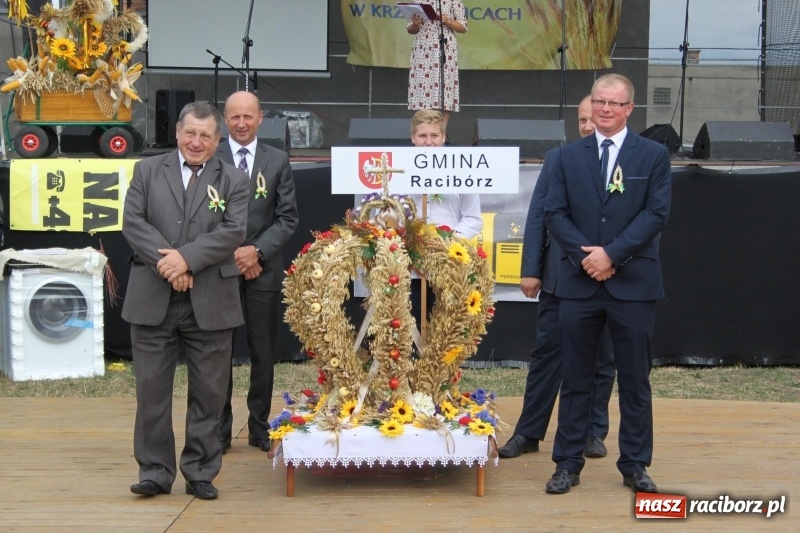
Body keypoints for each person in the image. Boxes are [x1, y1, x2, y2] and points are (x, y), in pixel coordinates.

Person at [542, 74, 671, 495]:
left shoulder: (652, 156)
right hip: (579, 285)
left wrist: (612, 254)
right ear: (591, 105)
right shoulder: (565, 157)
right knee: (576, 377)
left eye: (615, 103)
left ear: (629, 108)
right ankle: (567, 463)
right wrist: (586, 258)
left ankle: (635, 464)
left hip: (633, 284)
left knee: (634, 380)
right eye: (600, 102)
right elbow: (554, 214)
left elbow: (655, 214)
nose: (606, 109)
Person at [122, 101, 249, 500]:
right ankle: (155, 471)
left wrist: (187, 259)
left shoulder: (233, 179)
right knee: (151, 391)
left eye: (205, 136)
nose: (196, 142)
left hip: (210, 299)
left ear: (217, 140)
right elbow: (134, 222)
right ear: (177, 132)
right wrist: (170, 265)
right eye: (190, 133)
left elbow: (233, 230)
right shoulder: (146, 170)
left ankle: (200, 471)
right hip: (153, 298)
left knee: (210, 393)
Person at [498, 95, 616, 461]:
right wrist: (531, 269)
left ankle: (592, 433)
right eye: (581, 120)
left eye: (592, 118)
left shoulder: (625, 159)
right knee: (547, 356)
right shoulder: (558, 160)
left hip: (608, 276)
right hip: (558, 279)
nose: (586, 126)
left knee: (601, 359)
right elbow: (538, 216)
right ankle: (529, 432)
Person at [217, 91, 299, 454]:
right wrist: (231, 254)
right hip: (218, 270)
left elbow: (287, 218)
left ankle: (259, 425)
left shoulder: (277, 159)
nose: (241, 123)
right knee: (216, 352)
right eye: (234, 117)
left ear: (260, 118)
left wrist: (257, 252)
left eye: (248, 116)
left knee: (262, 351)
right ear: (225, 119)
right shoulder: (210, 156)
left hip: (262, 271)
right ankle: (218, 430)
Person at [406, 109, 482, 327]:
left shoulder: (463, 171)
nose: (428, 142)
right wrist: (411, 247)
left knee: (445, 328)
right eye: (422, 136)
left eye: (434, 136)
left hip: (449, 265)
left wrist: (444, 245)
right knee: (410, 328)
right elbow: (389, 218)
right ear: (413, 138)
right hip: (409, 268)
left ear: (443, 138)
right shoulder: (396, 170)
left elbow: (472, 218)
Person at [406, 0, 467, 128]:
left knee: (445, 88)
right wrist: (414, 25)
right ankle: (424, 130)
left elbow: (463, 27)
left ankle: (441, 132)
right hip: (423, 47)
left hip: (444, 46)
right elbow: (410, 29)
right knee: (423, 87)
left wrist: (448, 21)